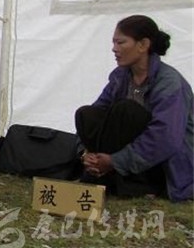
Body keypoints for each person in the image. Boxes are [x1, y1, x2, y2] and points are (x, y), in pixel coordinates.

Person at [75, 15, 193, 201]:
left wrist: (115, 161)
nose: (114, 49)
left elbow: (165, 137)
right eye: (114, 42)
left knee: (127, 110)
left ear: (143, 45)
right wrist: (86, 153)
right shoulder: (120, 76)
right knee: (86, 114)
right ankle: (100, 171)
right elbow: (99, 112)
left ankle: (143, 184)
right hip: (126, 156)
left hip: (162, 163)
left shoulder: (170, 83)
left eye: (121, 42)